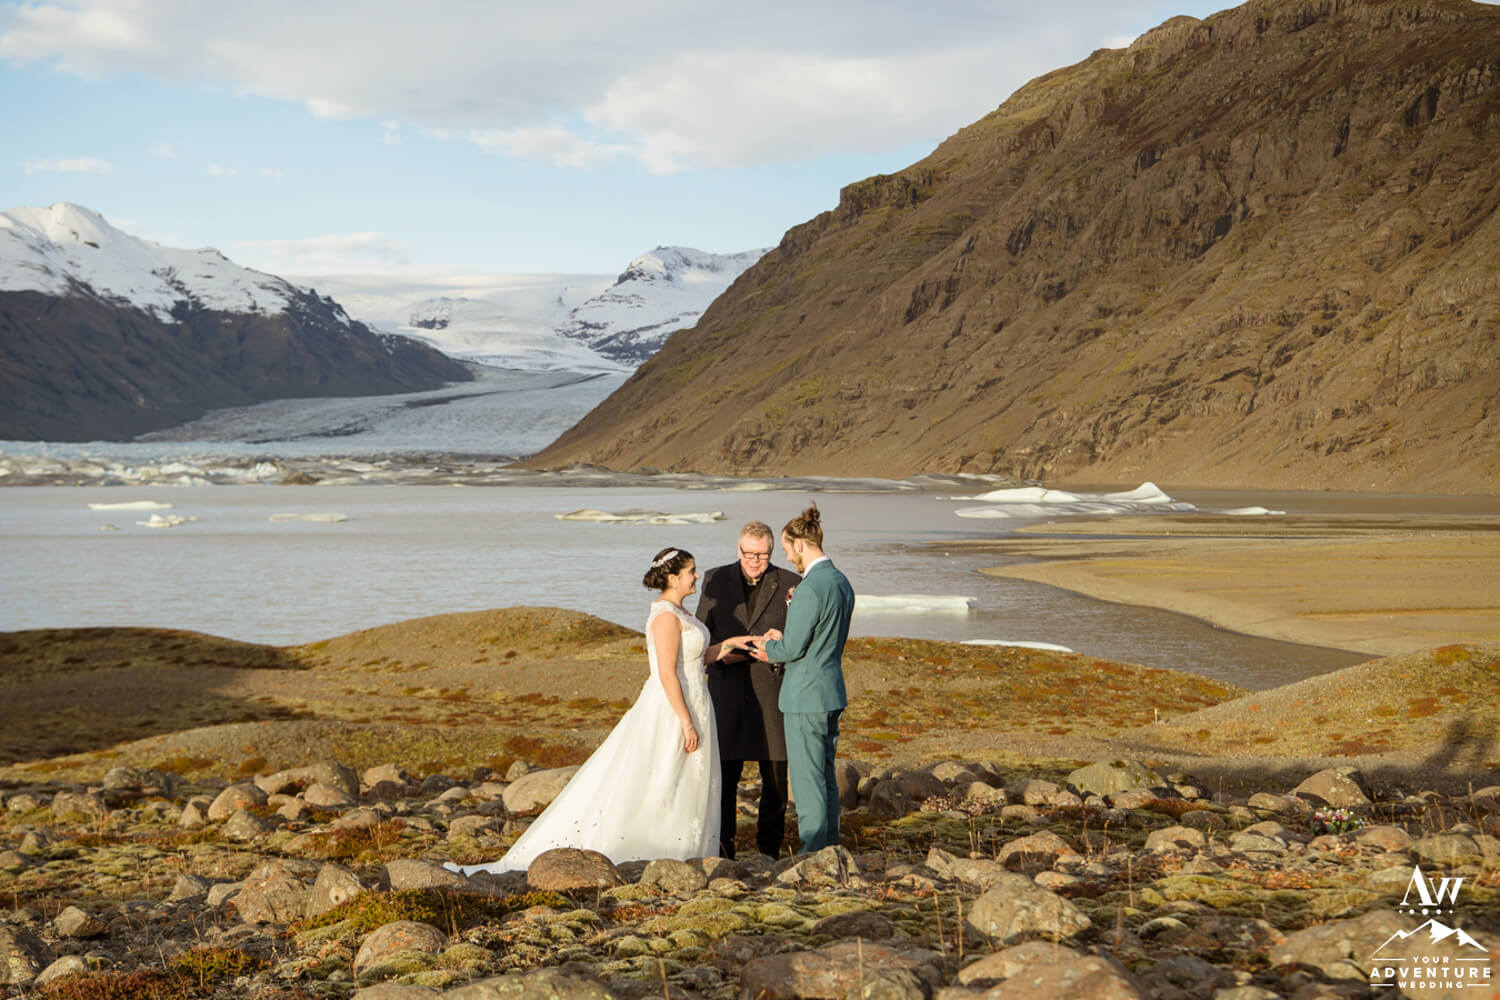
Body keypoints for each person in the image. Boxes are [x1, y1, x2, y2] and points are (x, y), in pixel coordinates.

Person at [447, 547, 744, 874]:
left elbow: (695, 658)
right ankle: (654, 849)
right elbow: (667, 673)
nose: (696, 576)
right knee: (661, 776)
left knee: (687, 778)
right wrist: (686, 722)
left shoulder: (681, 613)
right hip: (672, 708)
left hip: (696, 701)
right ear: (673, 578)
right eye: (691, 571)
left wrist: (733, 644)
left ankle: (687, 852)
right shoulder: (665, 617)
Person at [751, 504, 855, 854]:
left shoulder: (810, 588)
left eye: (786, 549)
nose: (786, 557)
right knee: (826, 779)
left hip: (805, 696)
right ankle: (830, 848)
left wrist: (769, 647)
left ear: (799, 544)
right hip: (831, 691)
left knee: (808, 783)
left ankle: (813, 853)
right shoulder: (841, 582)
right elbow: (821, 637)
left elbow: (792, 648)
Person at [695, 520, 801, 858]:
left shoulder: (791, 583)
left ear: (771, 551)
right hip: (726, 690)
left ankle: (769, 852)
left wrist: (781, 641)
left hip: (772, 692)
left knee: (776, 780)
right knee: (725, 780)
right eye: (749, 554)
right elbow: (700, 632)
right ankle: (723, 851)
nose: (755, 561)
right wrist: (721, 652)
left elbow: (800, 637)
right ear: (738, 549)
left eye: (763, 555)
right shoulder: (714, 578)